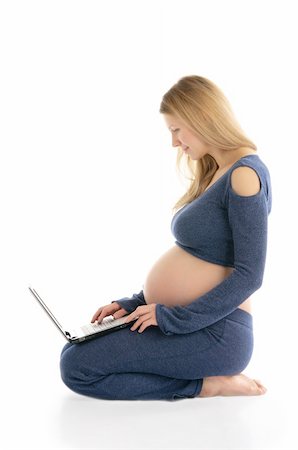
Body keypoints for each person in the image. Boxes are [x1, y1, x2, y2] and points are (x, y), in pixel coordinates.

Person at [60, 75, 272, 400]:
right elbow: (202, 263)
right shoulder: (218, 170)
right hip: (187, 323)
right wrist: (134, 303)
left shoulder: (244, 176)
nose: (175, 142)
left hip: (216, 334)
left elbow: (249, 276)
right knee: (74, 352)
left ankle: (206, 386)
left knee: (78, 367)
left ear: (200, 117)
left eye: (175, 129)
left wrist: (170, 317)